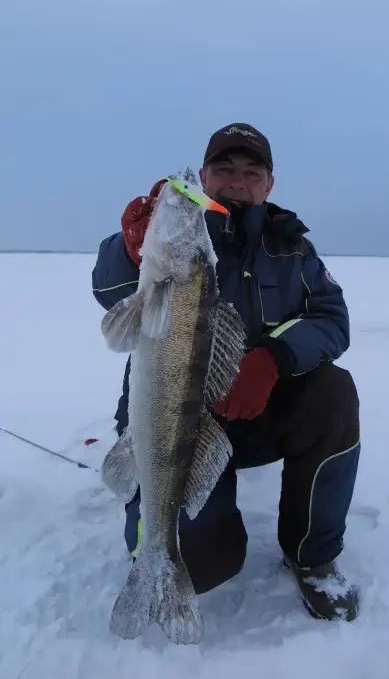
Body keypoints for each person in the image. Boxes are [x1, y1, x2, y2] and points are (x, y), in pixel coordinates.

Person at [92, 122, 361, 621]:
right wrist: (129, 251)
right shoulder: (162, 239)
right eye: (224, 168)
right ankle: (153, 537)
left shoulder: (293, 249)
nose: (237, 180)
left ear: (269, 184)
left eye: (251, 171)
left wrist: (273, 359)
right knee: (201, 564)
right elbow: (110, 296)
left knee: (334, 393)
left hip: (259, 412)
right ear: (203, 176)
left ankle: (314, 557)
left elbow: (332, 319)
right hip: (173, 422)